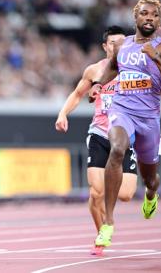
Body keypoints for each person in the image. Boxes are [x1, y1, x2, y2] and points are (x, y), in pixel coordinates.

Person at [89, 0, 161, 249]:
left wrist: (157, 59)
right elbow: (112, 68)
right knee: (117, 149)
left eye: (154, 15)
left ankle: (151, 195)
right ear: (136, 18)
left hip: (148, 119)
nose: (149, 17)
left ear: (159, 21)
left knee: (150, 178)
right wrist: (98, 84)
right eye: (144, 14)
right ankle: (108, 223)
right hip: (122, 111)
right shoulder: (124, 45)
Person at [55, 26, 138, 254]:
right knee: (96, 191)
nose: (117, 46)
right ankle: (102, 232)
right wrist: (63, 114)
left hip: (125, 137)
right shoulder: (94, 71)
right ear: (105, 46)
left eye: (122, 42)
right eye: (112, 43)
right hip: (100, 134)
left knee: (126, 195)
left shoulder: (135, 70)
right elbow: (77, 94)